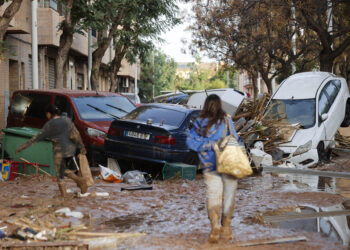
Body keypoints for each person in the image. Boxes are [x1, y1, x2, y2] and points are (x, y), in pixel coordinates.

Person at [186, 94, 240, 243]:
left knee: (213, 196)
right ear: (220, 105)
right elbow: (236, 139)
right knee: (228, 198)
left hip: (209, 166)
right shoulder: (227, 120)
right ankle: (226, 229)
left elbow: (190, 142)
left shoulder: (200, 121)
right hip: (227, 165)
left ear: (206, 105)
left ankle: (215, 226)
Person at [16, 104, 88, 198]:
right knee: (62, 170)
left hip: (59, 151)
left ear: (49, 114)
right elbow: (76, 135)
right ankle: (78, 181)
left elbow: (36, 138)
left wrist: (22, 147)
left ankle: (65, 195)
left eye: (47, 114)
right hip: (71, 149)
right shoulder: (66, 120)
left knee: (59, 174)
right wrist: (81, 147)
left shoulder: (49, 125)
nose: (47, 116)